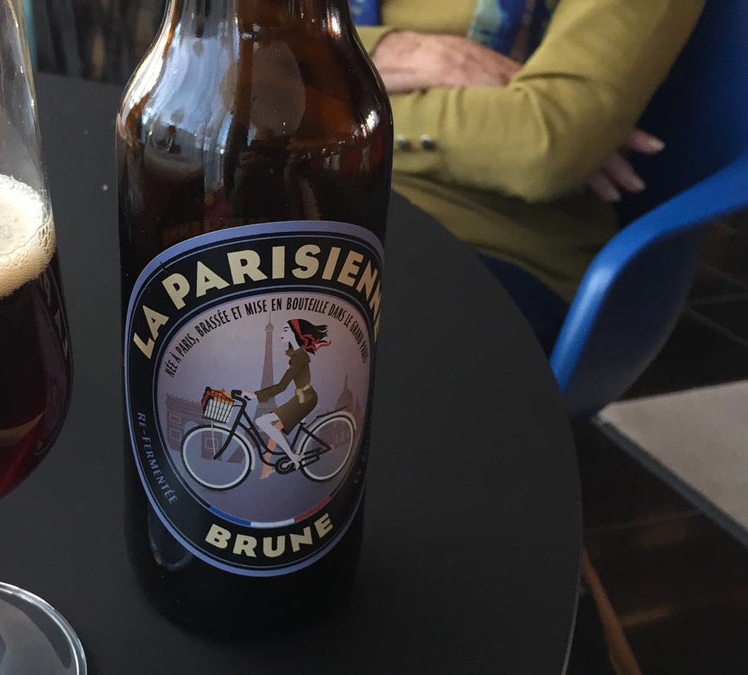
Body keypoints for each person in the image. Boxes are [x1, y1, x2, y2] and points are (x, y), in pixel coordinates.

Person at [349, 0, 705, 349]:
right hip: (318, 203)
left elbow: (543, 146)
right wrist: (385, 50)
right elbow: (291, 63)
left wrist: (330, 106)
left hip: (486, 244)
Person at [245, 319, 331, 479]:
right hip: (300, 398)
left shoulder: (299, 357)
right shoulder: (298, 354)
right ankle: (277, 464)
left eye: (285, 329)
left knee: (262, 422)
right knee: (269, 425)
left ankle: (293, 457)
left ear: (295, 333)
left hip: (305, 399)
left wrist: (256, 395)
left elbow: (283, 386)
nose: (281, 333)